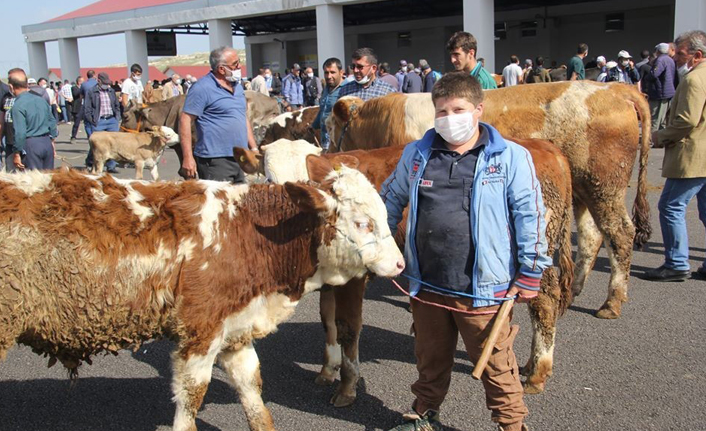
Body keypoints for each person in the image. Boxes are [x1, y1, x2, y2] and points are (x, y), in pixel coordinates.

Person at [381, 71, 548, 431]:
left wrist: (531, 271)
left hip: (483, 287)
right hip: (426, 283)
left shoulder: (509, 157)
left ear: (478, 110)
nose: (448, 118)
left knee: (497, 366)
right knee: (430, 358)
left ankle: (512, 425)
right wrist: (375, 244)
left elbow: (529, 214)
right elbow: (390, 199)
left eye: (457, 109)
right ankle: (424, 416)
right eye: (441, 111)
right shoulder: (417, 154)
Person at [646, 30, 706, 282]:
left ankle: (677, 262)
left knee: (670, 206)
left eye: (680, 54)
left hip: (692, 154)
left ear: (697, 55)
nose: (677, 59)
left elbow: (686, 121)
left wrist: (656, 137)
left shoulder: (694, 80)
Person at [179, 46, 258, 183]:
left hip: (240, 156)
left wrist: (254, 148)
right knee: (220, 203)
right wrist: (187, 157)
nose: (239, 66)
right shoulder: (202, 88)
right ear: (221, 69)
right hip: (215, 160)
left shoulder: (237, 87)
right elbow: (185, 120)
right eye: (235, 64)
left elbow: (242, 117)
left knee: (240, 201)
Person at [6, 68, 57, 171]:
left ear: (11, 87)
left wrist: (16, 153)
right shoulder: (41, 100)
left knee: (33, 182)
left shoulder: (18, 105)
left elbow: (20, 133)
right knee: (47, 181)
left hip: (31, 145)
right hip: (46, 143)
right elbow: (52, 122)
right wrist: (52, 141)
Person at [83, 72, 120, 173]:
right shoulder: (91, 92)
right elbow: (87, 108)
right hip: (99, 121)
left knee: (113, 144)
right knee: (97, 145)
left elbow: (116, 105)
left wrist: (117, 117)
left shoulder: (111, 91)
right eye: (105, 83)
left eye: (108, 83)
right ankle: (91, 162)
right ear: (99, 81)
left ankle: (111, 166)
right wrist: (92, 121)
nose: (107, 85)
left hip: (111, 120)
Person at [312, 57, 345, 151]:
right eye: (326, 72)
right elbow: (322, 110)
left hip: (339, 142)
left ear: (341, 72)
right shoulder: (327, 88)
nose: (329, 76)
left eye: (332, 72)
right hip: (325, 140)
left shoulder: (347, 88)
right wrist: (314, 126)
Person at [648, 43, 677, 133]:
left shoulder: (660, 60)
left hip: (659, 92)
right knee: (663, 118)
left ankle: (651, 137)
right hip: (669, 92)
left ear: (658, 51)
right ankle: (660, 137)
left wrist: (647, 76)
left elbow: (654, 74)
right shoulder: (670, 60)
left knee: (655, 116)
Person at [70, 76, 85, 144]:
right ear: (79, 82)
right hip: (78, 108)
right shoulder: (74, 88)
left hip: (84, 106)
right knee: (76, 123)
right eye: (82, 81)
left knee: (88, 123)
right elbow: (75, 94)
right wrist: (81, 89)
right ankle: (73, 136)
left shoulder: (84, 88)